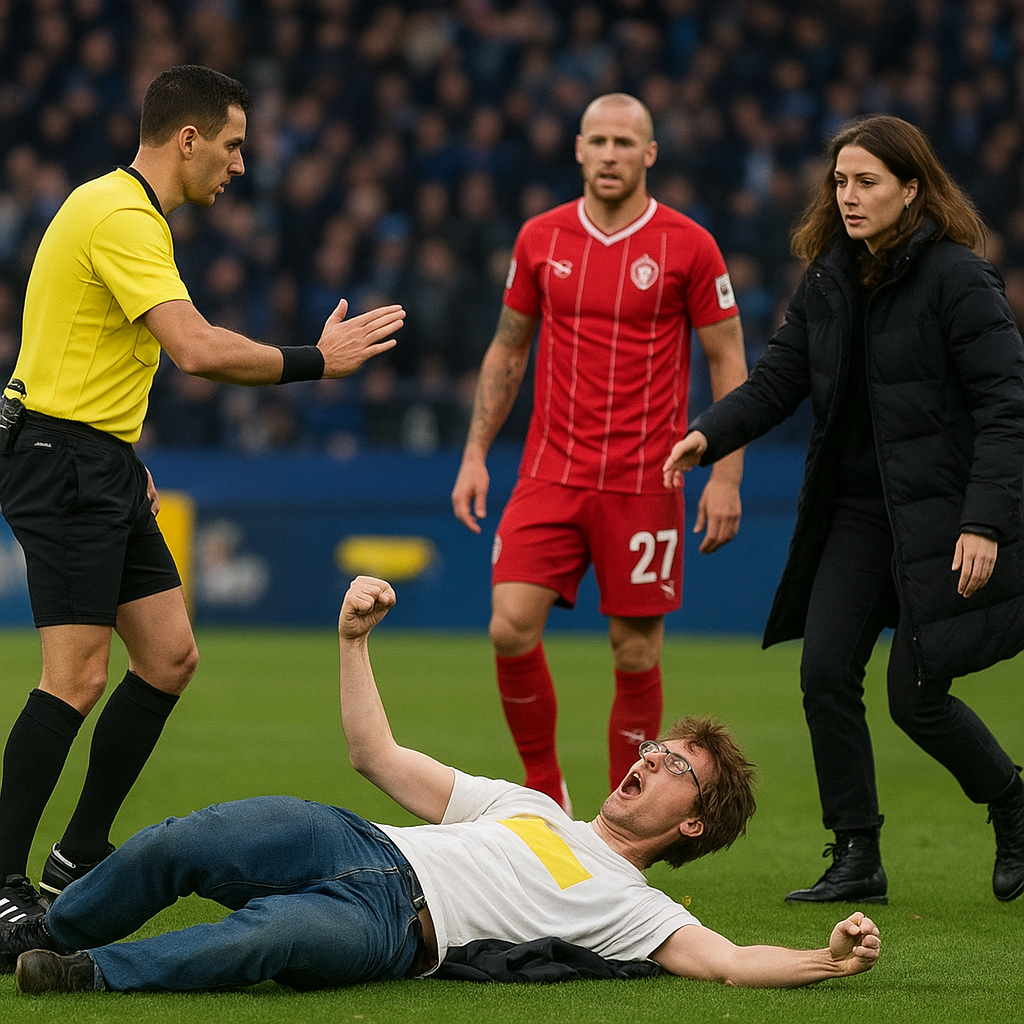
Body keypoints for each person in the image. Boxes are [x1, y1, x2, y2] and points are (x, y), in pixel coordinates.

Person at [0, 575, 881, 994]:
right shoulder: (533, 807)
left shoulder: (638, 910)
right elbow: (377, 757)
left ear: (694, 825)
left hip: (392, 926)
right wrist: (352, 640)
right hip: (356, 841)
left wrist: (827, 960)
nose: (644, 758)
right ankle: (53, 925)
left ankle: (84, 973)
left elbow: (728, 963)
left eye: (674, 767)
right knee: (186, 840)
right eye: (656, 746)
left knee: (263, 939)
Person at [0, 65, 405, 920]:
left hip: (95, 455)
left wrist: (119, 445)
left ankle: (77, 857)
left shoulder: (127, 214)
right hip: (62, 459)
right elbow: (196, 349)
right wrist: (315, 361)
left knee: (170, 656)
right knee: (74, 678)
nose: (241, 165)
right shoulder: (118, 214)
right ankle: (1, 879)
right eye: (233, 145)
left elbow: (88, 348)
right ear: (186, 140)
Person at [663, 115, 1024, 904]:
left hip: (944, 518)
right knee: (825, 671)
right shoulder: (828, 278)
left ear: (911, 190)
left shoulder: (960, 278)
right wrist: (708, 433)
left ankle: (1013, 802)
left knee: (916, 701)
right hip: (859, 514)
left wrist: (985, 522)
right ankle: (856, 853)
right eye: (840, 181)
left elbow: (1007, 406)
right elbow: (776, 381)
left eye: (867, 182)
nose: (849, 196)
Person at [451, 93, 748, 811]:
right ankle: (544, 791)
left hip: (647, 479)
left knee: (635, 652)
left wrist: (726, 475)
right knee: (508, 624)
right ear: (578, 149)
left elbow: (729, 359)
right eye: (599, 141)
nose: (610, 154)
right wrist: (474, 453)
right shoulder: (540, 239)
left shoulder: (689, 245)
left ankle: (627, 816)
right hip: (550, 471)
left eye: (625, 142)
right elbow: (508, 349)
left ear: (650, 155)